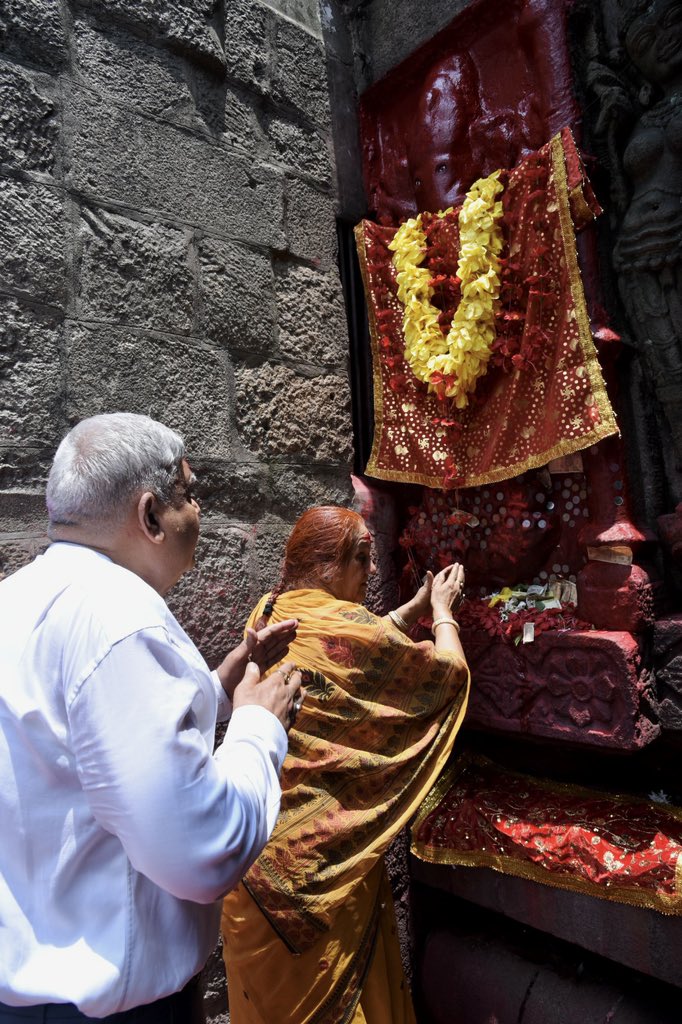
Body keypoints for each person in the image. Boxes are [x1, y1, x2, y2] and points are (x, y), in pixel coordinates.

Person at [0, 412, 304, 1022]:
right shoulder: (118, 616)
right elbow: (202, 850)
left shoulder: (20, 597)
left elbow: (85, 744)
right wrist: (257, 725)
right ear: (149, 516)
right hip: (109, 1008)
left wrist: (217, 686)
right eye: (190, 495)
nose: (200, 514)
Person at [221, 505, 470, 1024]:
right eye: (363, 559)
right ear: (331, 563)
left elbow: (357, 646)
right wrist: (442, 611)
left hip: (254, 865)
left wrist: (412, 609)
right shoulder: (349, 627)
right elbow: (446, 675)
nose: (373, 572)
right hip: (322, 875)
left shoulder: (269, 613)